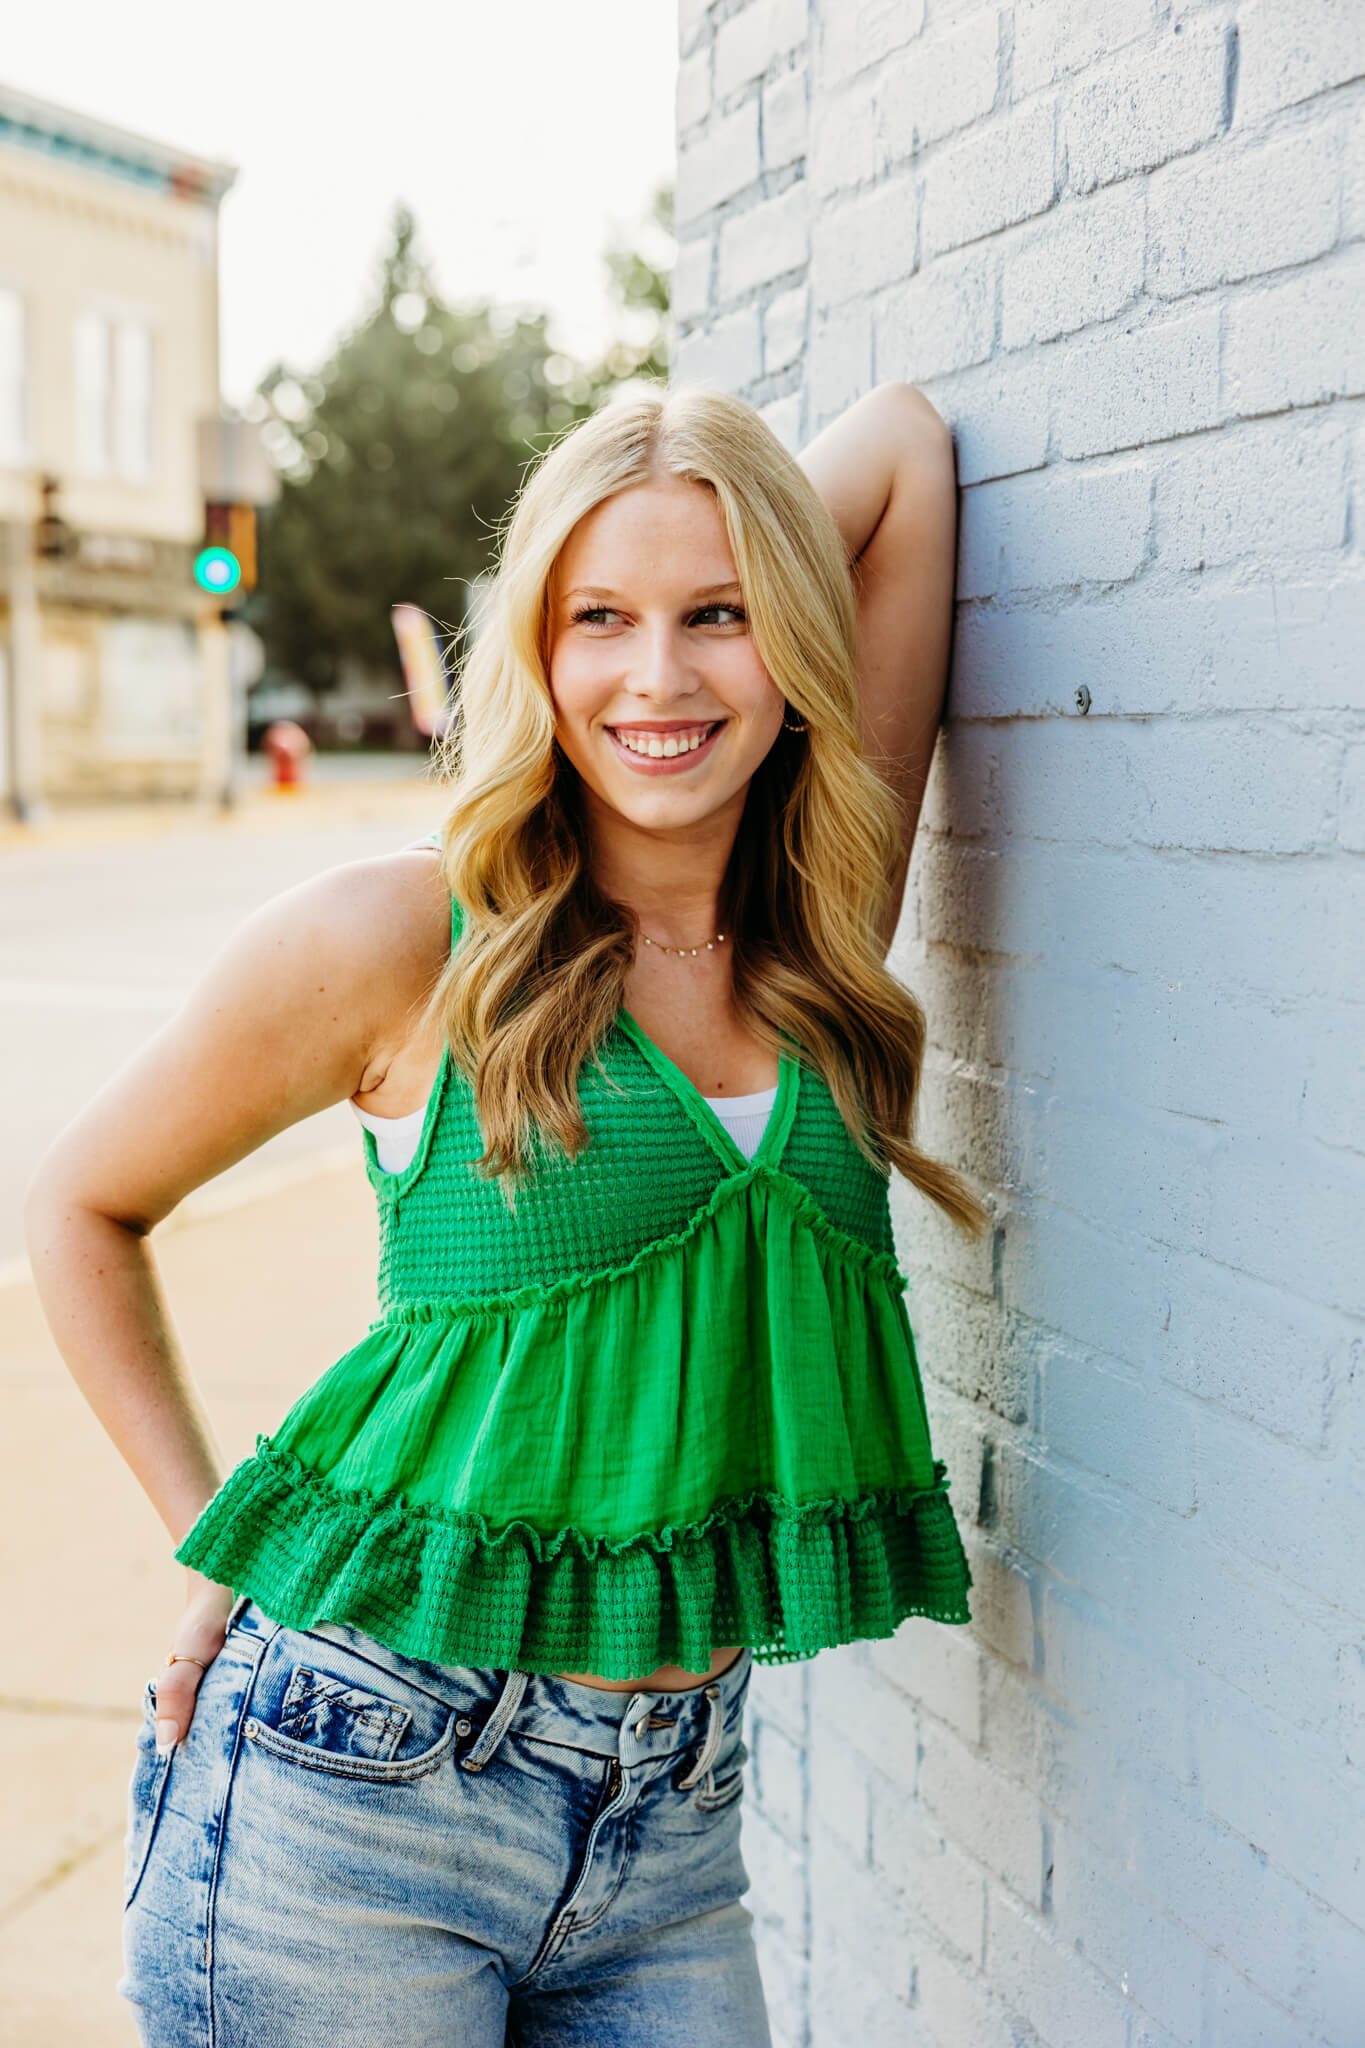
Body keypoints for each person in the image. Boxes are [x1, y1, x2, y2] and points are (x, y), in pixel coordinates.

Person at [24, 379, 986, 2046]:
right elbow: (80, 1205)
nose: (658, 676)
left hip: (673, 1824)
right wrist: (219, 1540)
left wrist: (695, 477)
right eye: (595, 619)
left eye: (720, 617)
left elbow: (902, 447)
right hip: (356, 1787)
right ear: (532, 653)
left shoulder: (829, 925)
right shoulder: (404, 941)